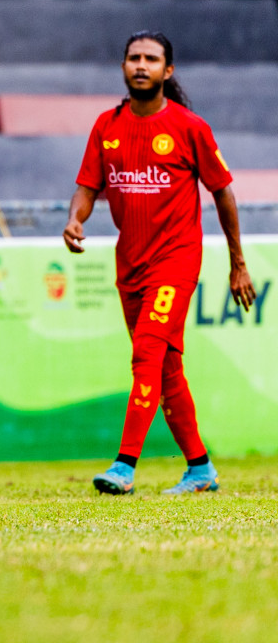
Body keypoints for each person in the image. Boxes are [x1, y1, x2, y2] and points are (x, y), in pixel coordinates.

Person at [63, 30, 256, 496]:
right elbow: (89, 187)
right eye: (134, 58)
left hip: (176, 259)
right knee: (166, 369)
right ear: (124, 67)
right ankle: (200, 469)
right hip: (129, 262)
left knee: (146, 352)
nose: (141, 65)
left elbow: (223, 193)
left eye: (151, 59)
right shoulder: (106, 127)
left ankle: (125, 466)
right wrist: (75, 219)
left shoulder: (190, 127)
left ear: (168, 71)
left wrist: (237, 262)